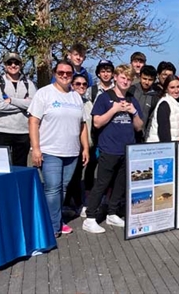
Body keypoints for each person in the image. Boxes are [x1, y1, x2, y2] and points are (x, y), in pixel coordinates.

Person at [28, 59, 89, 237]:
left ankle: (55, 220)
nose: (64, 76)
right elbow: (33, 121)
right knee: (52, 188)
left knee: (62, 188)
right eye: (61, 72)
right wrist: (36, 149)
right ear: (55, 73)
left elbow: (82, 125)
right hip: (50, 150)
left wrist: (85, 147)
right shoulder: (44, 94)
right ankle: (52, 226)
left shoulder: (75, 96)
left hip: (71, 151)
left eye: (68, 73)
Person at [83, 64, 144, 234]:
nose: (125, 81)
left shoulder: (132, 99)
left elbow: (139, 127)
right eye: (123, 77)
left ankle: (112, 213)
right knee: (102, 183)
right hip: (109, 148)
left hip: (127, 149)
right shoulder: (105, 98)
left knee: (120, 184)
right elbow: (96, 123)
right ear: (115, 78)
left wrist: (134, 113)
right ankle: (90, 217)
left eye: (129, 79)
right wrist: (114, 109)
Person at [0, 52, 37, 167]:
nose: (13, 65)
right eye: (9, 63)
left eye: (16, 63)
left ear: (20, 65)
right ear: (5, 66)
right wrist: (23, 105)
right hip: (1, 131)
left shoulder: (28, 83)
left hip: (23, 132)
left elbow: (34, 105)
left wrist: (12, 100)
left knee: (20, 167)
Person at [65, 74, 92, 214]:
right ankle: (71, 203)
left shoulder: (88, 102)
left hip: (86, 144)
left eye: (84, 84)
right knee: (71, 175)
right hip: (71, 144)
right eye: (77, 84)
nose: (81, 87)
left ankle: (76, 202)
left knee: (78, 175)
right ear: (72, 85)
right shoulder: (68, 101)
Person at [145, 76, 179, 142]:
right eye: (172, 87)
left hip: (175, 144)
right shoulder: (164, 104)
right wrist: (169, 148)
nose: (176, 90)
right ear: (166, 89)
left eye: (178, 87)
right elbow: (163, 132)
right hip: (161, 147)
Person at [129, 64, 159, 141]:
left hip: (143, 136)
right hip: (127, 134)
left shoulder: (155, 96)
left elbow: (152, 119)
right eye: (144, 78)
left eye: (150, 80)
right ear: (140, 77)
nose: (146, 82)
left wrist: (147, 138)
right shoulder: (131, 90)